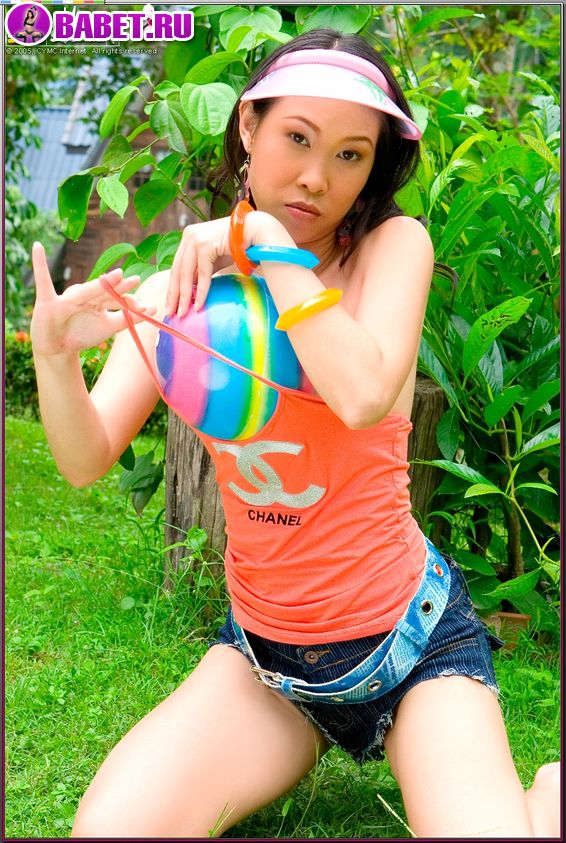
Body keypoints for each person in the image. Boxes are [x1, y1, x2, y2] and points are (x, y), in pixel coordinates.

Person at [30, 28, 559, 839]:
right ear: (249, 126)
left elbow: (362, 395)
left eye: (351, 155)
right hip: (266, 662)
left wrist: (269, 247)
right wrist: (55, 355)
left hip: (412, 645)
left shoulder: (391, 250)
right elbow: (84, 455)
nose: (317, 176)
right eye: (298, 138)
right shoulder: (189, 286)